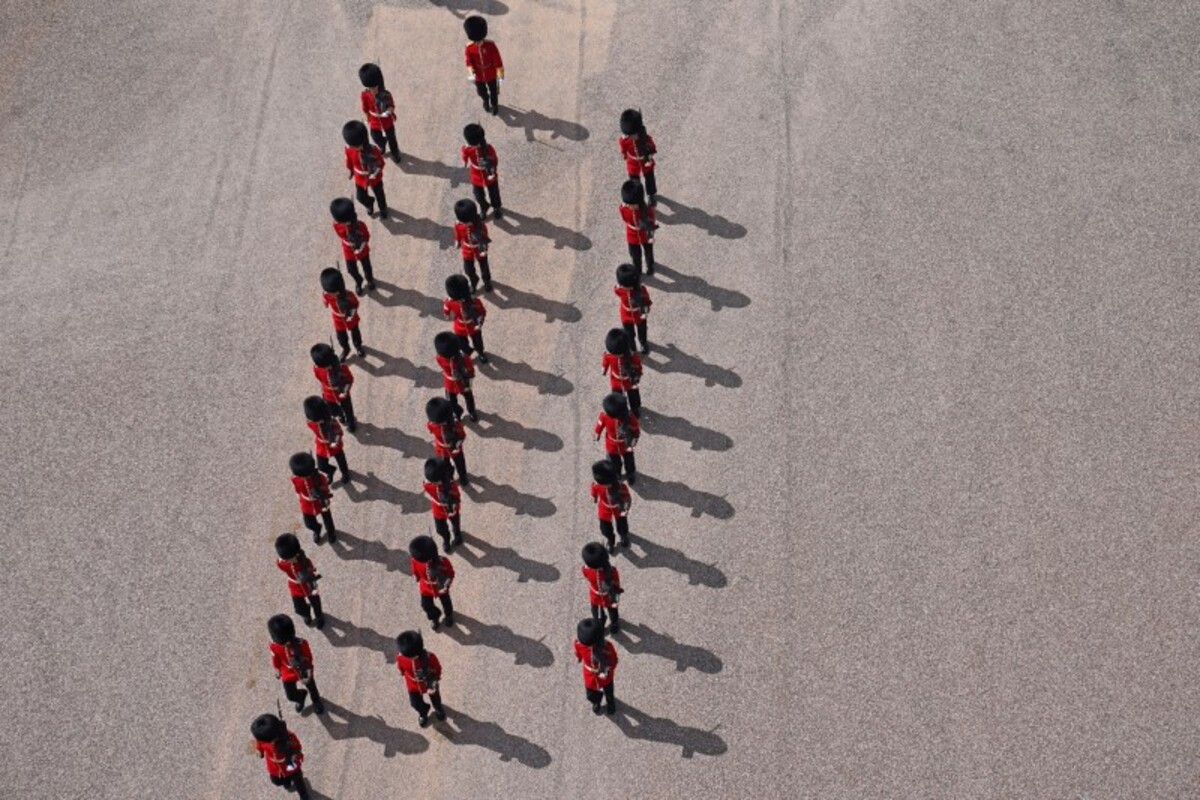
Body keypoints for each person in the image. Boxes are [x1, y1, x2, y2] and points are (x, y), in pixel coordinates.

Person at [267, 614, 325, 715]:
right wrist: (277, 668)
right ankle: (301, 696)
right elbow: (275, 657)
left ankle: (316, 701)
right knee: (290, 695)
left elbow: (309, 658)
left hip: (303, 670)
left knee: (312, 688)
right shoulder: (274, 645)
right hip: (287, 671)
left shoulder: (301, 643)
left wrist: (307, 671)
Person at [251, 713, 312, 798]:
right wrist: (260, 751)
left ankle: (303, 795)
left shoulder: (289, 737)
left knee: (299, 783)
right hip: (274, 768)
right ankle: (286, 781)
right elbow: (259, 744)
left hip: (291, 766)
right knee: (277, 781)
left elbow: (298, 748)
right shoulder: (263, 738)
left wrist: (292, 754)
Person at [395, 630, 446, 727]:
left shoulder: (429, 657)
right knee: (415, 703)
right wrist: (401, 671)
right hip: (413, 685)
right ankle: (423, 712)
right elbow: (400, 666)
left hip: (429, 683)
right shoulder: (401, 656)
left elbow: (437, 669)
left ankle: (438, 709)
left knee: (435, 698)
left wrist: (434, 680)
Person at [274, 533, 325, 628]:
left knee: (316, 604)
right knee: (298, 608)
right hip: (295, 586)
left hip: (308, 585)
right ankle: (306, 613)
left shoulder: (305, 562)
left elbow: (311, 574)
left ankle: (319, 617)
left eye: (289, 559)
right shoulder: (281, 563)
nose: (287, 561)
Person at [342, 120, 389, 219]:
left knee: (379, 194)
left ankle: (383, 208)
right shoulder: (349, 150)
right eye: (353, 146)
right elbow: (349, 161)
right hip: (360, 178)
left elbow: (381, 163)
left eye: (357, 146)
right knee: (360, 197)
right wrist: (350, 171)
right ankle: (369, 203)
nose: (355, 148)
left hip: (374, 178)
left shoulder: (373, 150)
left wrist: (375, 173)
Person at [289, 452, 338, 544]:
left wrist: (321, 492)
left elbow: (326, 489)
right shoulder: (295, 478)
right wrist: (299, 496)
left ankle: (331, 533)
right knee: (309, 523)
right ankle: (317, 529)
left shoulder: (320, 477)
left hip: (320, 502)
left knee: (328, 520)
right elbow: (297, 489)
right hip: (306, 503)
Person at [409, 535, 455, 630]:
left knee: (446, 602)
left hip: (440, 586)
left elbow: (450, 573)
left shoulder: (442, 561)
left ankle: (449, 615)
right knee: (426, 605)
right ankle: (435, 616)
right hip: (425, 587)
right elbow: (415, 569)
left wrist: (446, 584)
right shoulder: (415, 560)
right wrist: (417, 576)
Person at [329, 197, 374, 295]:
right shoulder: (337, 225)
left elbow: (366, 237)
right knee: (351, 270)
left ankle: (370, 279)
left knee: (367, 266)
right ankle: (359, 281)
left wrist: (361, 246)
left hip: (361, 249)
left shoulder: (360, 225)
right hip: (348, 250)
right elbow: (341, 236)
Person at [574, 618, 618, 716]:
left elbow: (614, 661)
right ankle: (597, 700)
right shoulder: (579, 643)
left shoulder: (607, 647)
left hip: (605, 674)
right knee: (590, 695)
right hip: (590, 674)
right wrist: (579, 657)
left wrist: (607, 670)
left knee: (609, 692)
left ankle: (611, 703)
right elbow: (577, 650)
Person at [358, 62, 400, 164]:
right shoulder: (365, 95)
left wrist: (388, 112)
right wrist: (367, 117)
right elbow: (365, 107)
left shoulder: (385, 94)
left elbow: (391, 105)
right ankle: (382, 144)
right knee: (375, 137)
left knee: (392, 138)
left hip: (386, 121)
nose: (373, 90)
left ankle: (395, 152)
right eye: (371, 88)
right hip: (374, 120)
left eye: (375, 87)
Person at [303, 396, 350, 485]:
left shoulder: (331, 422)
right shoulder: (311, 422)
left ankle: (345, 473)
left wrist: (335, 442)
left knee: (341, 461)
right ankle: (331, 471)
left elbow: (339, 433)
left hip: (334, 445)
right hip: (321, 445)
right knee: (321, 466)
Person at [320, 268, 365, 360]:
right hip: (338, 320)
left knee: (355, 333)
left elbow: (356, 304)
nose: (332, 295)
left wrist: (350, 311)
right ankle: (346, 349)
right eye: (330, 293)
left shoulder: (348, 295)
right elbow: (325, 303)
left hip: (351, 318)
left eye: (334, 293)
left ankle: (358, 346)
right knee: (341, 338)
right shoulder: (326, 294)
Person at [311, 343, 357, 432]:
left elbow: (349, 380)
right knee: (334, 411)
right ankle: (341, 416)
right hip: (328, 396)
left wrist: (345, 391)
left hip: (342, 394)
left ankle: (351, 423)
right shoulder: (317, 368)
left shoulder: (342, 368)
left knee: (348, 410)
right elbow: (320, 379)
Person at [594, 392, 640, 483]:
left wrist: (632, 444)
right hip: (611, 445)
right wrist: (597, 432)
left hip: (626, 444)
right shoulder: (605, 416)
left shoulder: (630, 418)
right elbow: (600, 424)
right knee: (614, 463)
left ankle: (630, 474)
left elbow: (636, 431)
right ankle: (617, 474)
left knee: (629, 462)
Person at [434, 331, 478, 422]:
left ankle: (471, 411)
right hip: (450, 383)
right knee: (451, 402)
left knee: (469, 398)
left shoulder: (464, 358)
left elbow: (471, 371)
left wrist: (469, 384)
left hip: (463, 382)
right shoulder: (439, 358)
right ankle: (457, 412)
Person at [463, 16, 503, 115]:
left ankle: (494, 105)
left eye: (479, 41)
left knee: (494, 92)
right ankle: (486, 101)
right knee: (481, 92)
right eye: (476, 41)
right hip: (479, 76)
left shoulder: (491, 46)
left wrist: (500, 78)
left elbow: (498, 62)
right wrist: (471, 75)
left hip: (491, 74)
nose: (478, 43)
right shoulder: (469, 47)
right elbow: (469, 61)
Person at [443, 273, 488, 362]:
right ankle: (468, 352)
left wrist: (479, 323)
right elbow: (446, 312)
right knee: (462, 344)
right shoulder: (449, 302)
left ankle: (480, 353)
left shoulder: (474, 301)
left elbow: (482, 312)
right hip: (459, 326)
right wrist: (448, 315)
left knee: (478, 342)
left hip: (473, 325)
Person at [461, 123, 502, 219]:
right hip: (476, 174)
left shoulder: (488, 148)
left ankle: (496, 207)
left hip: (488, 173)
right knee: (478, 196)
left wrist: (489, 162)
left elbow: (495, 161)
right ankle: (484, 207)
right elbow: (465, 156)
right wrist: (465, 161)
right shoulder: (467, 148)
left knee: (494, 193)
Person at [425, 396, 469, 485]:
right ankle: (449, 476)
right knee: (445, 465)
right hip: (441, 449)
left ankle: (463, 476)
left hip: (454, 448)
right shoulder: (432, 424)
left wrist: (456, 444)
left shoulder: (455, 425)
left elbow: (462, 436)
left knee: (460, 463)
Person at [581, 542, 623, 634]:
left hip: (608, 596)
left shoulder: (610, 572)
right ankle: (603, 622)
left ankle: (614, 623)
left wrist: (615, 597)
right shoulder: (611, 571)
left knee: (611, 611)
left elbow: (616, 585)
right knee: (597, 613)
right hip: (596, 596)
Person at [422, 458, 463, 552]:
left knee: (455, 523)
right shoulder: (427, 484)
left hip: (452, 509)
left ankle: (457, 535)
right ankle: (446, 540)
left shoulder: (451, 485)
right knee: (440, 529)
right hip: (438, 509)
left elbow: (457, 497)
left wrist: (450, 498)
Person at [590, 460, 631, 552]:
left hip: (618, 508)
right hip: (604, 508)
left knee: (622, 525)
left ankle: (623, 536)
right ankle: (610, 540)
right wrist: (594, 497)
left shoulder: (621, 487)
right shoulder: (597, 485)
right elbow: (593, 490)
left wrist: (625, 508)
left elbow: (627, 497)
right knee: (605, 529)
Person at [453, 198, 493, 293]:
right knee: (468, 270)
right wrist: (457, 241)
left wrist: (484, 248)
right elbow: (457, 232)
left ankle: (487, 281)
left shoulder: (480, 225)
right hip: (467, 249)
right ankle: (474, 280)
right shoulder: (458, 225)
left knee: (484, 267)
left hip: (479, 248)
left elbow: (484, 237)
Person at [619, 109, 657, 205]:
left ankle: (651, 194)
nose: (632, 137)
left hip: (644, 160)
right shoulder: (624, 140)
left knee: (649, 178)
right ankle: (638, 199)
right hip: (632, 161)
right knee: (635, 182)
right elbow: (623, 149)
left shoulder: (645, 138)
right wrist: (624, 156)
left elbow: (652, 147)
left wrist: (649, 151)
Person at [601, 328, 642, 415]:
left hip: (629, 380)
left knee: (633, 396)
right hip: (615, 380)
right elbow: (606, 360)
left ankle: (635, 408)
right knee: (617, 398)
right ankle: (621, 411)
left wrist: (637, 376)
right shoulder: (610, 355)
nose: (615, 356)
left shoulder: (632, 357)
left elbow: (638, 367)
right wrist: (604, 368)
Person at [619, 179, 657, 275]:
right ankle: (637, 270)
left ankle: (650, 266)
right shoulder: (623, 208)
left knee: (649, 252)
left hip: (645, 234)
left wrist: (651, 236)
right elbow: (625, 219)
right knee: (635, 255)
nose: (629, 206)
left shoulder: (647, 210)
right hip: (632, 235)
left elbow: (651, 224)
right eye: (628, 204)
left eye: (632, 204)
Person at [614, 263, 652, 354]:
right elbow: (616, 290)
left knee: (642, 330)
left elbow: (647, 301)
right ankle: (632, 347)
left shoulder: (641, 290)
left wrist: (645, 311)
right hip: (626, 315)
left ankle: (643, 343)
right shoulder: (619, 290)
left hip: (639, 313)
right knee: (629, 334)